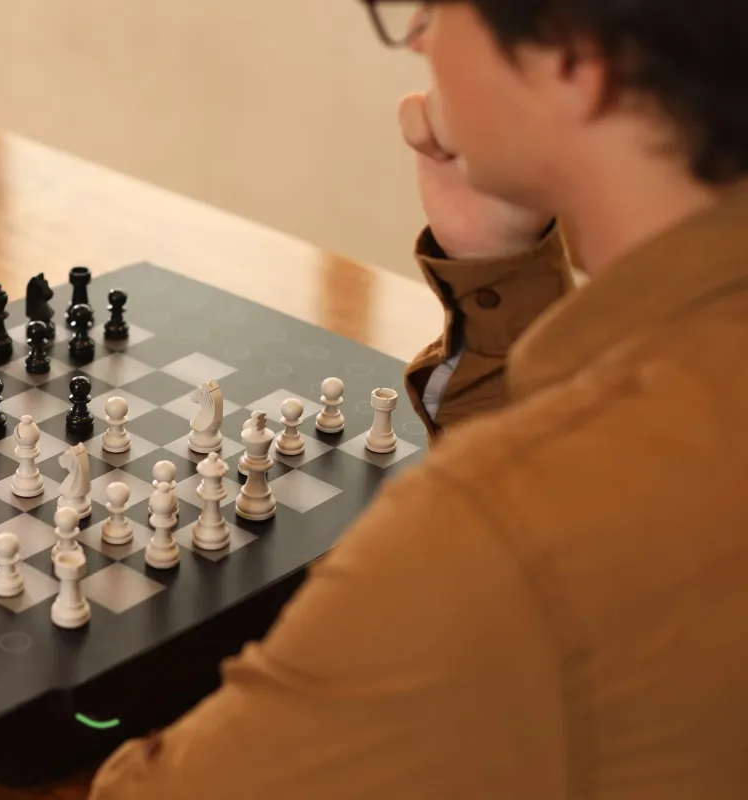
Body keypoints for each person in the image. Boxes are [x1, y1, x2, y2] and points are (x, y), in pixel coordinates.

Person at [88, 0, 748, 797]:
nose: (421, 40)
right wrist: (496, 259)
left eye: (436, 7)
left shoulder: (488, 537)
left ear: (572, 58)